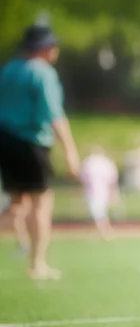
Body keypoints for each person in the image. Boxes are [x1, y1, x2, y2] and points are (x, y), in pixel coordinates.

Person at [0, 24, 80, 279]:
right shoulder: (43, 73)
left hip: (6, 140)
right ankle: (37, 264)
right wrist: (70, 151)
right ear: (45, 48)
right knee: (41, 204)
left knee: (17, 204)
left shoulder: (9, 70)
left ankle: (31, 257)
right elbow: (54, 115)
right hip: (32, 142)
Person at [80, 146, 119, 240]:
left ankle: (104, 232)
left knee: (98, 213)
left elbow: (82, 178)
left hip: (96, 192)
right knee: (98, 213)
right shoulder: (104, 163)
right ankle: (103, 231)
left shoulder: (90, 162)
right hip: (98, 192)